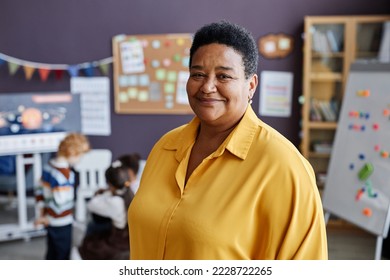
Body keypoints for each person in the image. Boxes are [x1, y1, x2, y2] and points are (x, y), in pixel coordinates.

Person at [128, 20, 328, 260]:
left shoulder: (284, 166)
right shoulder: (165, 146)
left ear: (251, 85)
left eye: (224, 76)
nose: (207, 87)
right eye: (198, 74)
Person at [34, 132, 90, 260]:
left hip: (49, 221)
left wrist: (41, 215)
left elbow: (39, 191)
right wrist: (47, 217)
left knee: (52, 252)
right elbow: (60, 203)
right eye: (80, 156)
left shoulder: (48, 167)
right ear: (72, 153)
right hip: (61, 222)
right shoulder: (66, 175)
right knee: (62, 253)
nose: (80, 160)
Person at [78, 160, 134, 260]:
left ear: (110, 184)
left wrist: (104, 193)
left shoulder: (114, 202)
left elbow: (91, 205)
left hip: (119, 241)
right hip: (131, 238)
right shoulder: (130, 194)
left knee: (89, 243)